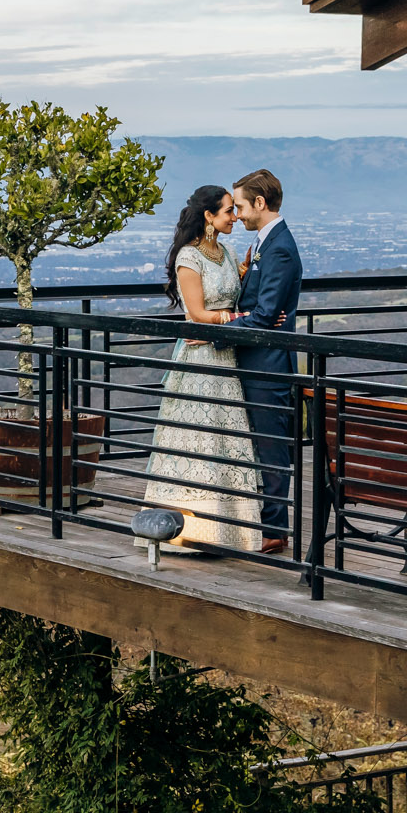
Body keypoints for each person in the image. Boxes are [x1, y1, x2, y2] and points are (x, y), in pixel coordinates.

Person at [141, 185, 263, 553]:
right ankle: (189, 531)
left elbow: (227, 295)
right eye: (228, 211)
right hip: (199, 361)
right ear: (209, 216)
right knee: (198, 438)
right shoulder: (188, 258)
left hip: (225, 358)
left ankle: (231, 532)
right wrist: (238, 318)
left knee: (225, 440)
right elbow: (196, 313)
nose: (234, 216)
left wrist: (242, 276)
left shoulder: (225, 253)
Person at [224, 168, 303, 550]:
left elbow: (266, 314)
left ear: (260, 203)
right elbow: (259, 310)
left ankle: (274, 530)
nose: (236, 214)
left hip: (268, 365)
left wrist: (220, 330)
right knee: (255, 446)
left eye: (240, 206)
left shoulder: (280, 247)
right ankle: (261, 523)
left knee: (271, 449)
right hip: (255, 359)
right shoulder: (264, 244)